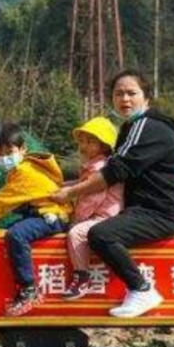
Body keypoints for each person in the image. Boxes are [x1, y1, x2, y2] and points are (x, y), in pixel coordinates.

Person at [53, 70, 174, 318]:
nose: (125, 99)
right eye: (118, 94)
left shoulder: (146, 127)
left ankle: (141, 289)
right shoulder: (132, 127)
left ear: (146, 97)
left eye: (131, 93)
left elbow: (115, 171)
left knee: (101, 234)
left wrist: (71, 193)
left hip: (160, 211)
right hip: (143, 208)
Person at [0, 122, 72, 316]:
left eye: (9, 152)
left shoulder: (24, 172)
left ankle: (29, 288)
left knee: (16, 235)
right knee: (10, 229)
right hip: (44, 214)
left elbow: (2, 201)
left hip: (51, 216)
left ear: (23, 149)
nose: (4, 157)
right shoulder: (21, 169)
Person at [62, 116, 124, 301]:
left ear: (104, 146)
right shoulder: (94, 165)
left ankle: (82, 278)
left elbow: (91, 200)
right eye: (81, 141)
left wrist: (75, 219)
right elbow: (82, 184)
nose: (83, 145)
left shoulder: (100, 167)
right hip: (99, 215)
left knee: (77, 233)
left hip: (103, 217)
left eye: (90, 142)